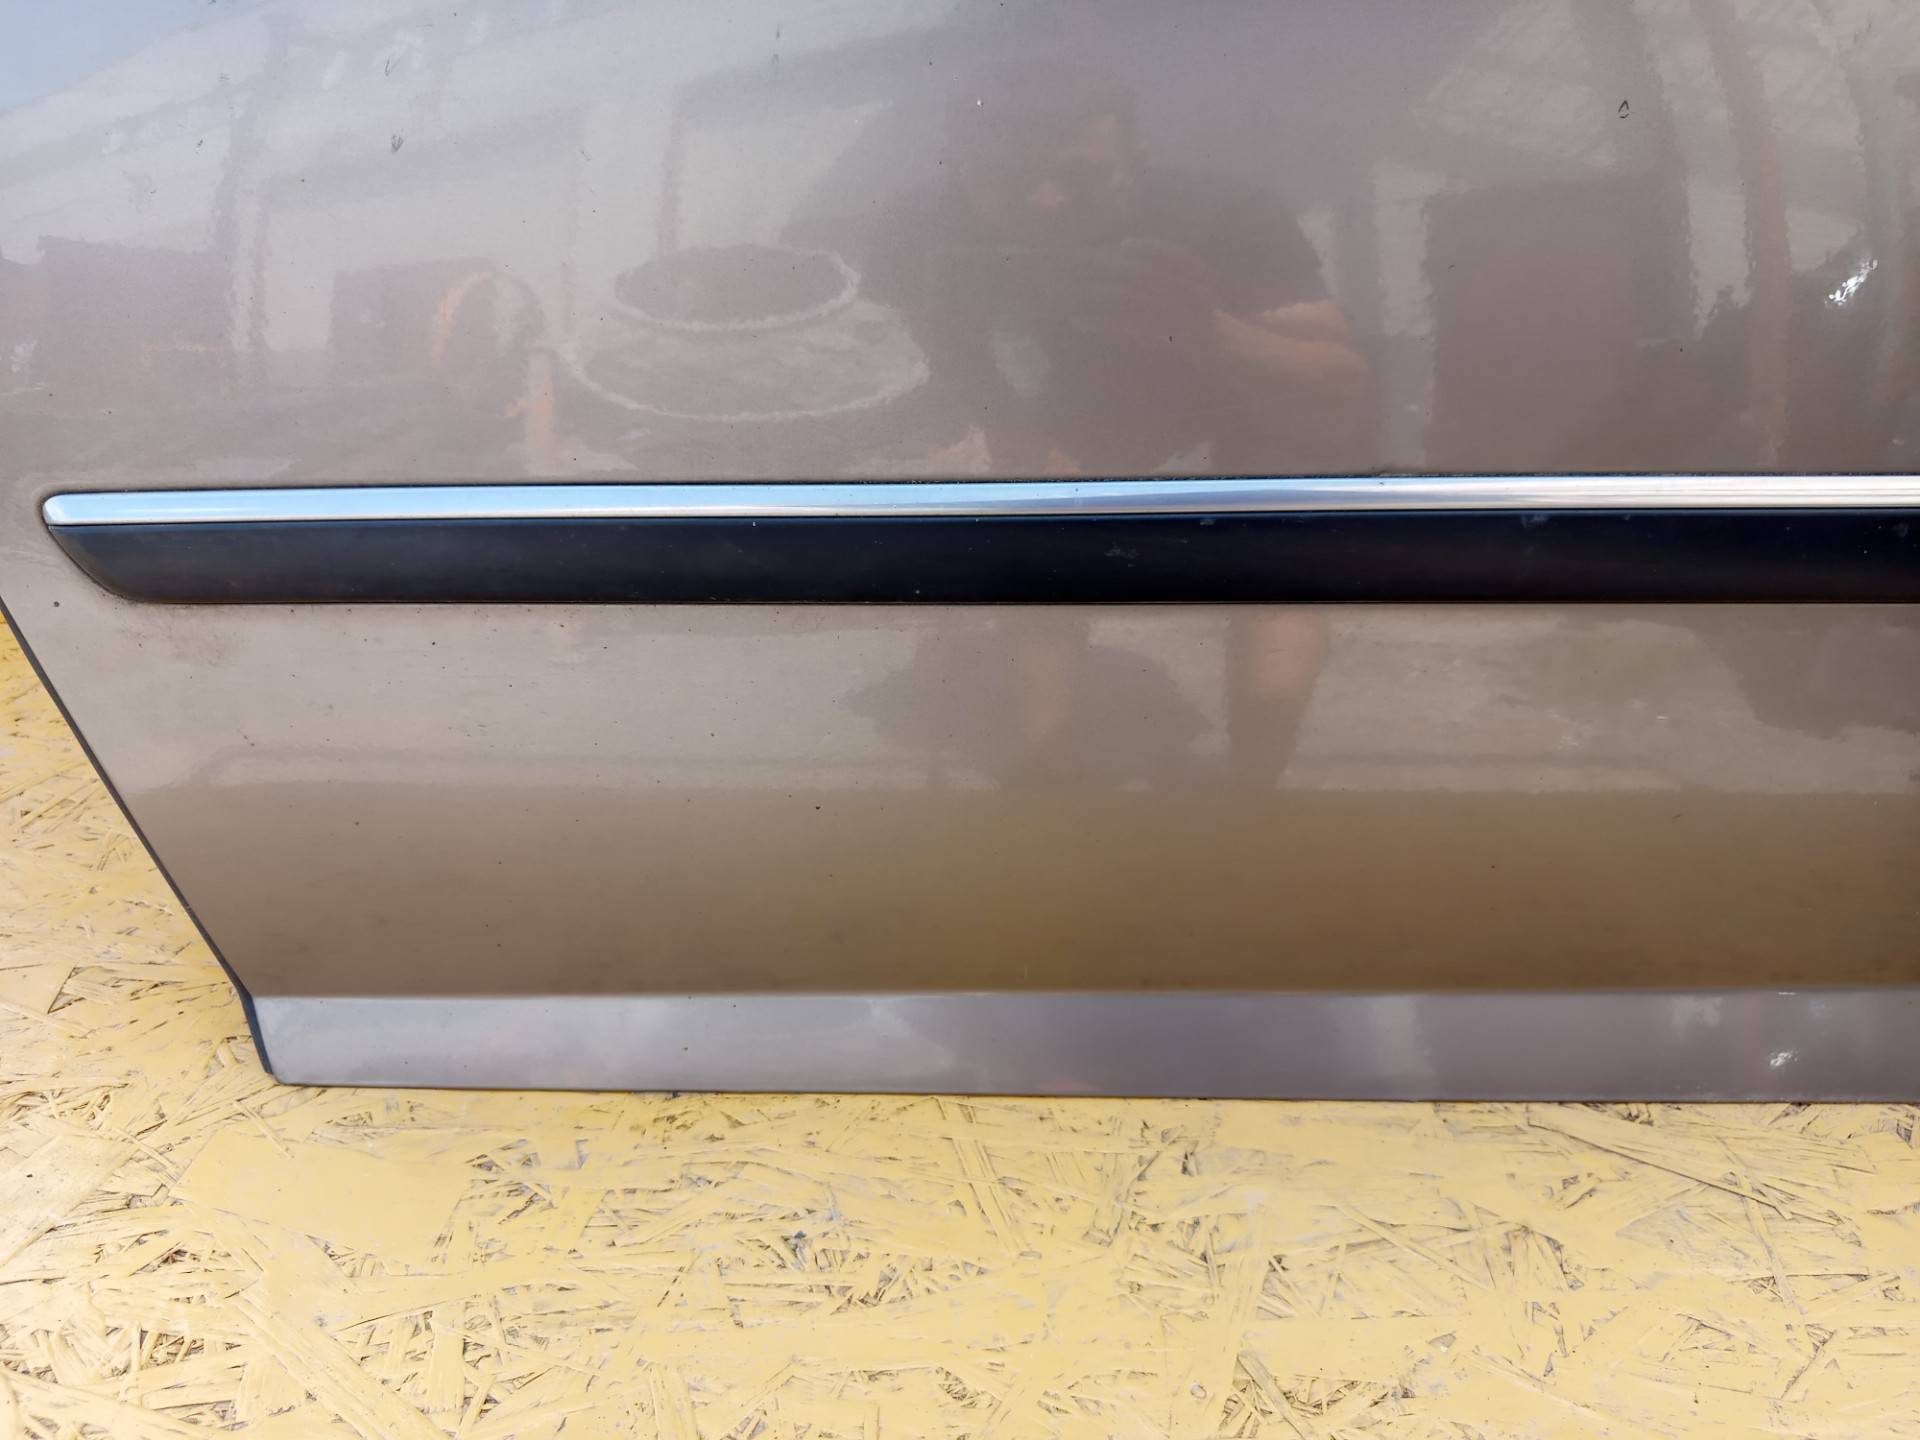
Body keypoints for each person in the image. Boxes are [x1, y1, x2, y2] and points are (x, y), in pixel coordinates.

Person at [865, 63, 1367, 783]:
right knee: (1040, 524)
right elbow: (941, 332)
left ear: (1138, 161)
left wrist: (1205, 328)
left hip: (1248, 380)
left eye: (1083, 176)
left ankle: (1252, 794)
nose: (1045, 200)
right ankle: (1050, 770)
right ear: (957, 167)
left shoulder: (1220, 213)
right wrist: (1008, 429)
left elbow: (1338, 378)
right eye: (1007, 176)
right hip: (1097, 390)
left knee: (1277, 558)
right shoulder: (921, 225)